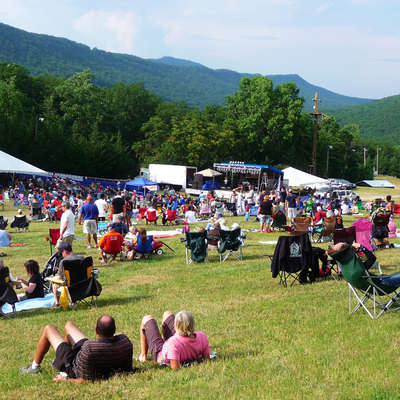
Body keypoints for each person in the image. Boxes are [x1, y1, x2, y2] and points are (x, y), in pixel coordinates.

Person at [20, 316, 133, 383]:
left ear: (96, 331)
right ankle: (59, 359)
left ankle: (35, 367)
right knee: (68, 325)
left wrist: (66, 379)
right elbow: (127, 368)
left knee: (49, 329)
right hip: (89, 352)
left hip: (72, 365)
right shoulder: (124, 342)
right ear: (115, 330)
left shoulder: (90, 349)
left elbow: (85, 380)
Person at [138, 310, 209, 370]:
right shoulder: (202, 336)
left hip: (161, 354)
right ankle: (163, 340)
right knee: (168, 313)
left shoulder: (172, 344)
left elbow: (175, 367)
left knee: (147, 318)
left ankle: (143, 356)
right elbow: (206, 359)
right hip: (176, 343)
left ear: (176, 325)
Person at [52, 243, 84, 307]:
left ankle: (57, 303)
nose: (61, 254)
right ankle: (73, 302)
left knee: (54, 283)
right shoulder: (82, 258)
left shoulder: (64, 261)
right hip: (84, 284)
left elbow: (60, 278)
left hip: (70, 286)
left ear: (64, 251)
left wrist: (54, 277)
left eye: (61, 252)